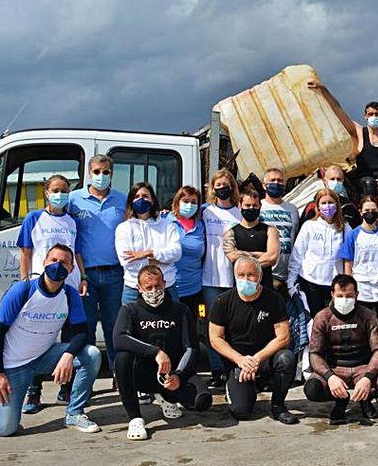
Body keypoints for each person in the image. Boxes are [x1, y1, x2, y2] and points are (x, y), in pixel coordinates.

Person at [0, 244, 101, 436]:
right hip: (15, 366)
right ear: (44, 262)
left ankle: (74, 413)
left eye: (64, 262)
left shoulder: (70, 294)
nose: (57, 265)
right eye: (53, 260)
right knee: (5, 428)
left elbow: (81, 332)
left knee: (91, 355)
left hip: (44, 357)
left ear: (71, 269)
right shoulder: (22, 290)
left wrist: (68, 355)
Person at [113, 265, 213, 440]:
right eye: (148, 287)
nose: (154, 291)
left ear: (165, 284)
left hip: (171, 375)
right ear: (139, 288)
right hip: (143, 374)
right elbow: (119, 339)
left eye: (158, 286)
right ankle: (135, 417)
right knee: (122, 358)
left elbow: (191, 347)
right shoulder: (130, 310)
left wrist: (179, 376)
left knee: (202, 401)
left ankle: (166, 397)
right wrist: (156, 352)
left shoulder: (180, 310)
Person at [18, 174, 87, 414]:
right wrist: (25, 283)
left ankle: (65, 389)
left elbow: (77, 254)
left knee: (70, 338)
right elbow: (26, 252)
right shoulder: (34, 218)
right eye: (55, 190)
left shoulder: (72, 221)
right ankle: (34, 392)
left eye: (65, 190)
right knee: (39, 339)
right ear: (46, 192)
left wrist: (83, 278)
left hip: (69, 288)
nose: (60, 194)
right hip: (41, 287)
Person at [209, 256, 299, 423]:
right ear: (234, 276)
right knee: (241, 412)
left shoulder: (274, 299)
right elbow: (216, 339)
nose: (245, 279)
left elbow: (283, 337)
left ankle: (278, 406)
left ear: (260, 276)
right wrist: (240, 360)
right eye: (241, 275)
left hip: (265, 358)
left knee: (286, 358)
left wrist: (257, 359)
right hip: (237, 362)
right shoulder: (222, 301)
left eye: (250, 275)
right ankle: (246, 387)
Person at [303, 275, 378, 425]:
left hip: (362, 366)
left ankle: (365, 398)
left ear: (357, 295)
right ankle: (340, 400)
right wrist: (330, 377)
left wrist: (368, 377)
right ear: (332, 295)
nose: (344, 300)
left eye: (349, 296)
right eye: (340, 296)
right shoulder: (322, 317)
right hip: (335, 368)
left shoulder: (368, 315)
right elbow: (314, 354)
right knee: (312, 389)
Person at [68, 154, 126, 375]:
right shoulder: (73, 199)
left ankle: (117, 374)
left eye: (106, 172)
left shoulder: (121, 200)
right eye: (97, 171)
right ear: (89, 174)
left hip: (114, 274)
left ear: (112, 174)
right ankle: (86, 377)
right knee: (86, 327)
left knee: (115, 328)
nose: (101, 176)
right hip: (85, 276)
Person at [201, 169, 242, 388]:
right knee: (212, 326)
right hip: (209, 279)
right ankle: (217, 370)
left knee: (234, 326)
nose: (222, 188)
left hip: (235, 279)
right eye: (218, 185)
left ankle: (233, 366)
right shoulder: (205, 212)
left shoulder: (239, 212)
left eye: (226, 185)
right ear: (212, 188)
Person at [288, 188, 352, 319]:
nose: (327, 206)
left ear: (337, 205)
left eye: (330, 202)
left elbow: (350, 257)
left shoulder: (345, 227)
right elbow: (297, 255)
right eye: (323, 203)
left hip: (334, 283)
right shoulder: (309, 226)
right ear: (317, 206)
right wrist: (290, 282)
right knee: (313, 319)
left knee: (333, 319)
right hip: (310, 281)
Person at [115, 182, 182, 305]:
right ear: (131, 201)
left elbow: (176, 253)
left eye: (145, 196)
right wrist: (156, 261)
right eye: (137, 196)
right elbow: (126, 261)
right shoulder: (124, 228)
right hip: (134, 289)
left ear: (152, 200)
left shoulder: (167, 225)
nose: (141, 199)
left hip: (166, 287)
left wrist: (149, 253)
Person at [340, 196, 378, 324]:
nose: (370, 213)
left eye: (373, 210)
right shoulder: (353, 235)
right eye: (367, 210)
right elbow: (348, 264)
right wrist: (349, 290)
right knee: (363, 324)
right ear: (360, 211)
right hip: (362, 289)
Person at [223, 189, 280, 290]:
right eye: (247, 205)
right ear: (240, 206)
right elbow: (232, 256)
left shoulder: (270, 230)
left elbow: (272, 257)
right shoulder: (230, 233)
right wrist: (259, 254)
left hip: (265, 288)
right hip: (241, 290)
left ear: (260, 207)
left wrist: (243, 257)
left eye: (255, 206)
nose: (251, 208)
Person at [168, 186, 206, 325]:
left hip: (194, 288)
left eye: (194, 202)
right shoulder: (166, 221)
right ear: (177, 202)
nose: (189, 205)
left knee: (190, 330)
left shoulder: (201, 225)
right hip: (170, 286)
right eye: (185, 201)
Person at [259, 167, 300, 296]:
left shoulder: (292, 209)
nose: (276, 183)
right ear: (264, 185)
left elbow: (295, 236)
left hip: (287, 276)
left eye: (280, 181)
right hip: (263, 273)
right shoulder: (258, 207)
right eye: (272, 180)